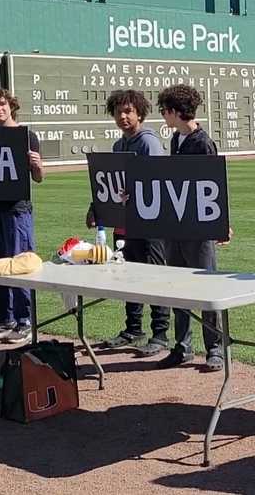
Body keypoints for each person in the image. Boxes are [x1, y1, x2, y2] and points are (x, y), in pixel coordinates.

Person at [87, 89, 171, 357]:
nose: (122, 117)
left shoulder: (149, 143)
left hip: (151, 226)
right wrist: (96, 207)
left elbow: (158, 183)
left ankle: (160, 334)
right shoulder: (119, 146)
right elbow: (110, 185)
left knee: (154, 277)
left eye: (128, 112)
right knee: (127, 277)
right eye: (118, 112)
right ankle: (133, 329)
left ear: (139, 114)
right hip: (125, 225)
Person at [152, 84, 226, 372]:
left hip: (198, 230)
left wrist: (221, 224)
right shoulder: (175, 140)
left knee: (206, 288)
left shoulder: (202, 143)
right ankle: (182, 346)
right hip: (177, 227)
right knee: (178, 288)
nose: (163, 116)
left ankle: (215, 348)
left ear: (174, 111)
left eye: (164, 111)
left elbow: (214, 185)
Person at [0, 88, 44, 344]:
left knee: (20, 267)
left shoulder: (27, 136)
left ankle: (25, 322)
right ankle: (4, 319)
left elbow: (38, 178)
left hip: (17, 211)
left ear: (10, 106)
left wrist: (36, 166)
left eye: (2, 104)